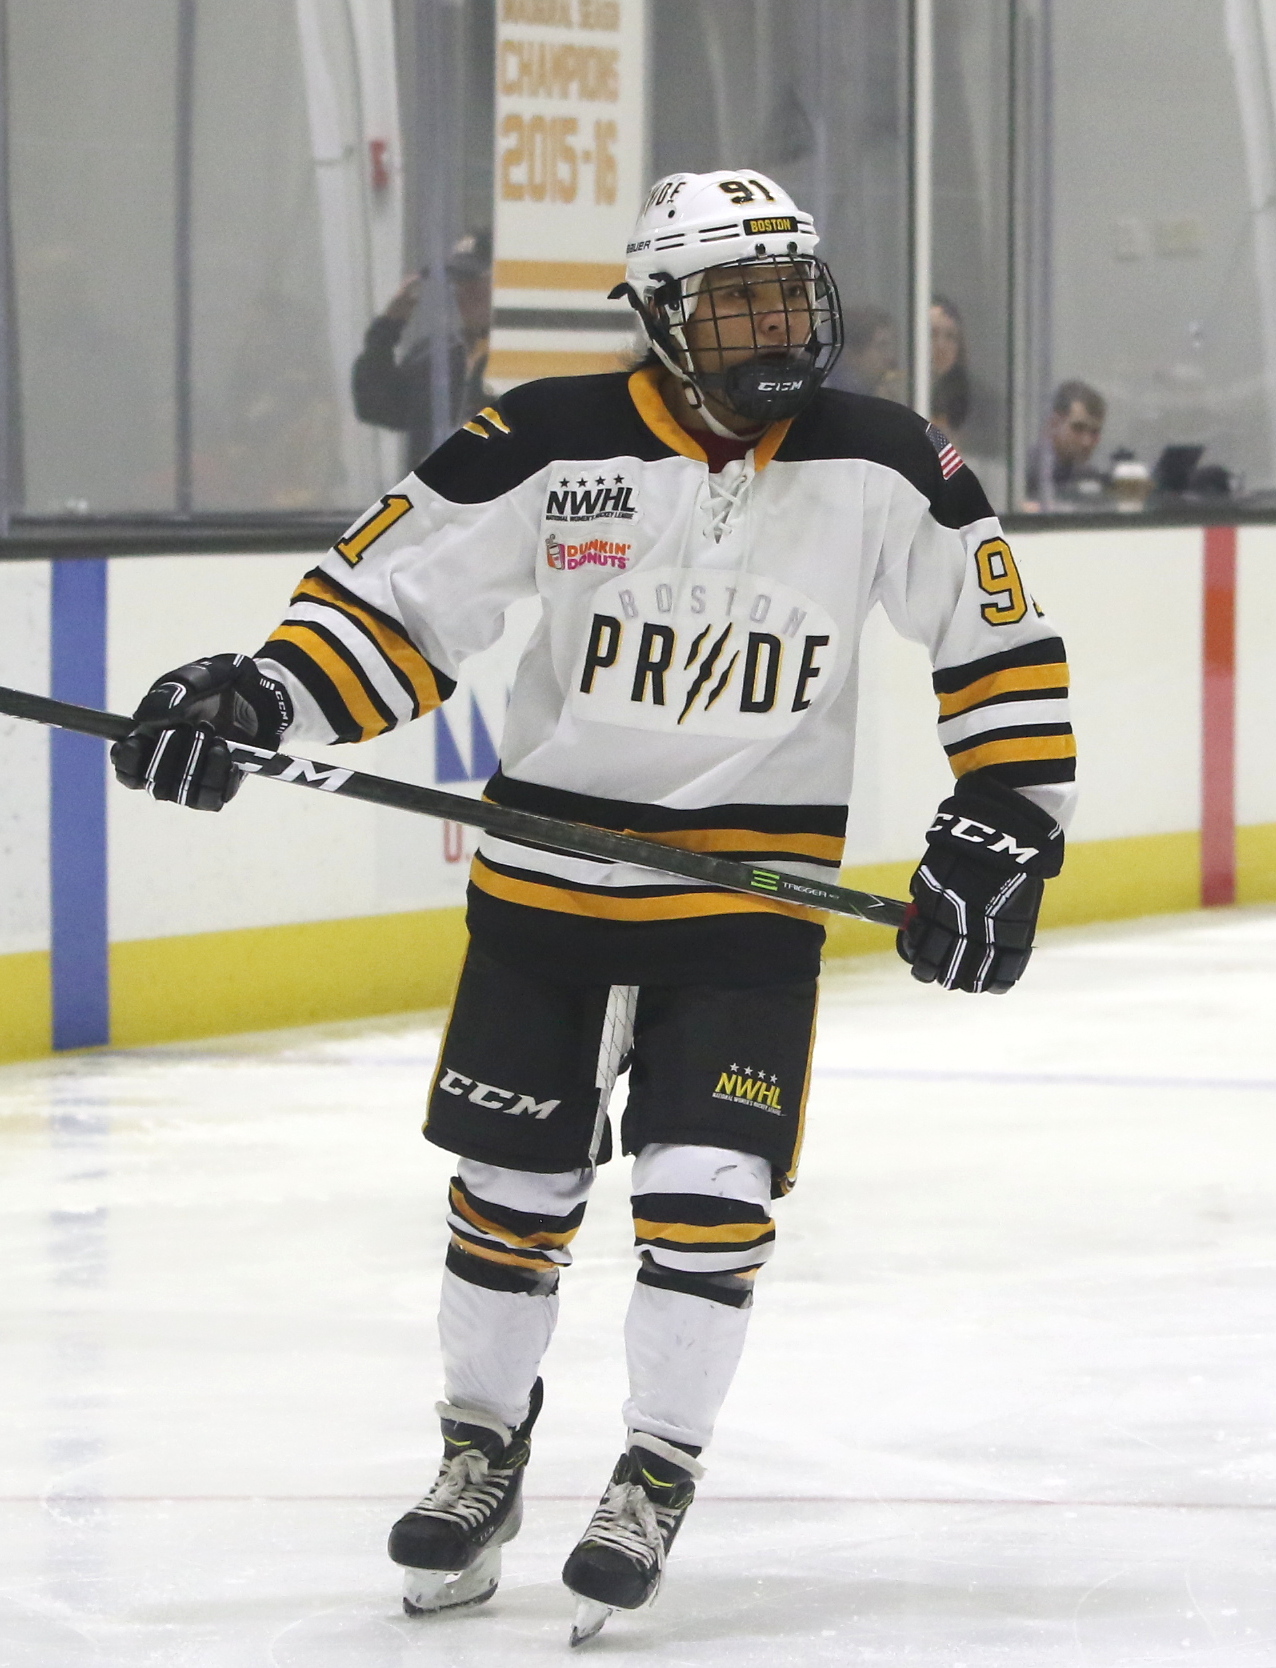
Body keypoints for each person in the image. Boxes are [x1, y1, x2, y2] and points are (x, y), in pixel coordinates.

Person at [109, 169, 1075, 1645]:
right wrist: (264, 692)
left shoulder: (890, 458)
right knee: (510, 1199)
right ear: (661, 315)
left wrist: (1006, 815)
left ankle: (655, 1470)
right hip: (546, 890)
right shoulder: (548, 440)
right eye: (739, 298)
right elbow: (398, 608)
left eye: (791, 291)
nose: (778, 323)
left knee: (711, 1196)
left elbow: (999, 642)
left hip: (746, 907)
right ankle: (480, 1451)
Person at [352, 229, 493, 463]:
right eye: (458, 281)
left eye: (475, 281)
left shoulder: (522, 355)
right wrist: (388, 326)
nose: (464, 292)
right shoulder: (437, 353)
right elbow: (376, 406)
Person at [1024, 380, 1107, 507]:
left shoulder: (1092, 478)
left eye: (1094, 432)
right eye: (1078, 428)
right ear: (1054, 424)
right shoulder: (1026, 474)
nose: (1087, 442)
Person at [838, 303, 906, 402]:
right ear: (851, 355)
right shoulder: (844, 397)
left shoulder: (876, 391)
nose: (891, 358)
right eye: (881, 347)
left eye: (891, 347)